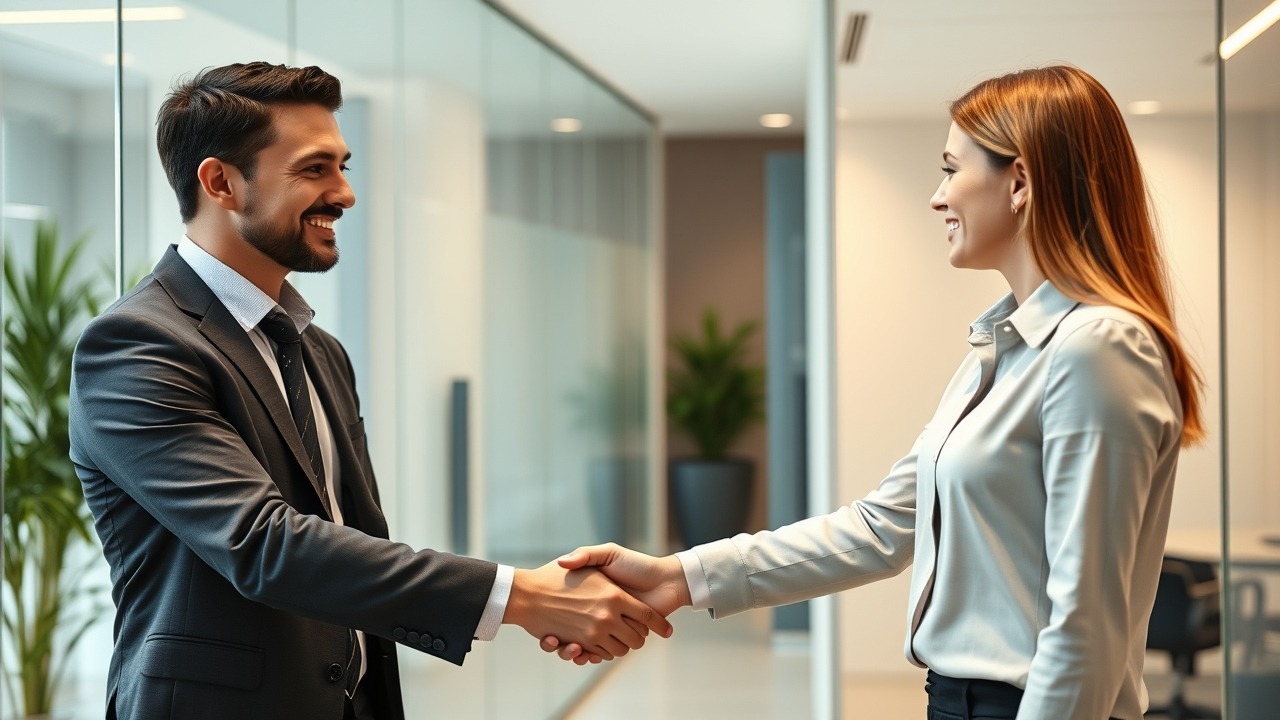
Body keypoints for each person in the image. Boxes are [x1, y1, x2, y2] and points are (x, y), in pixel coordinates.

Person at [543, 65, 1205, 720]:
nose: (937, 197)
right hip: (959, 701)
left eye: (951, 168)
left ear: (1021, 182)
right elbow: (880, 528)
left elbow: (1082, 628)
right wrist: (678, 578)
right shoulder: (1000, 350)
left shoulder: (1098, 347)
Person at [69, 61, 670, 720]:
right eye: (313, 169)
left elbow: (350, 537)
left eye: (342, 167)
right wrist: (524, 596)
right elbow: (265, 545)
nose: (344, 194)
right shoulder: (135, 345)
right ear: (221, 182)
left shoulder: (319, 351)